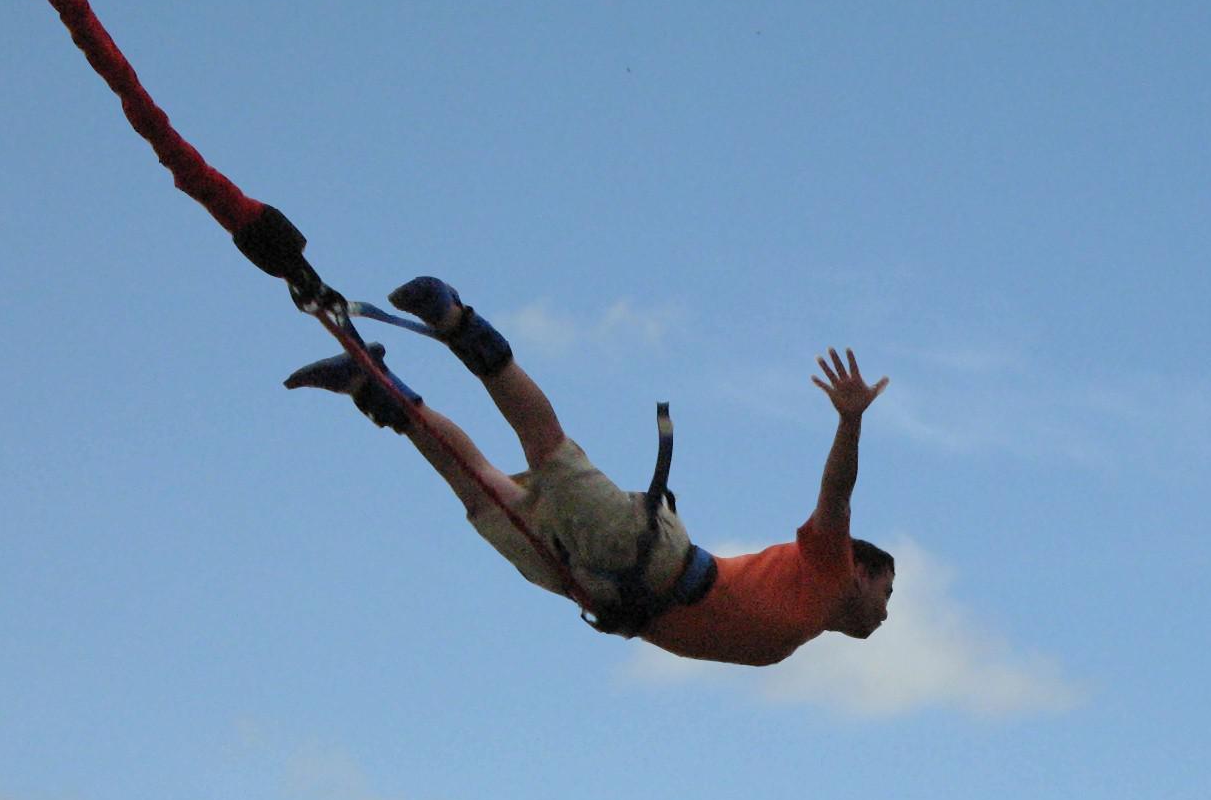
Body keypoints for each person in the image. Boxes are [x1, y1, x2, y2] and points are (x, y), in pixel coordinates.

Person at [287, 277, 893, 664]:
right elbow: (837, 495)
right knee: (547, 451)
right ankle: (459, 324)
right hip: (647, 557)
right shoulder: (827, 570)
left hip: (603, 591)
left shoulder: (805, 627)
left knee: (477, 489)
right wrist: (850, 421)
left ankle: (372, 385)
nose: (888, 613)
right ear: (860, 572)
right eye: (887, 592)